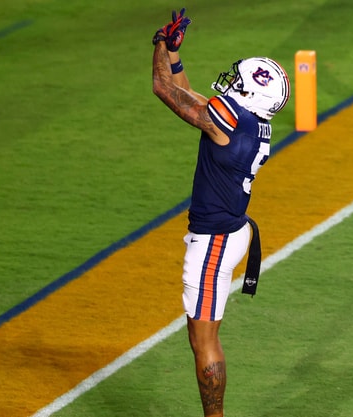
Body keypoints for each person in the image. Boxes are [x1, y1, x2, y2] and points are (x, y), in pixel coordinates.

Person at [151, 8, 290, 417]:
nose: (230, 84)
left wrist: (159, 43)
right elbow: (190, 97)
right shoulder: (249, 123)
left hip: (214, 240)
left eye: (238, 83)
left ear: (251, 95)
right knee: (201, 335)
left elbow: (163, 89)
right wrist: (175, 55)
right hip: (230, 231)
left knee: (204, 339)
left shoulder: (232, 121)